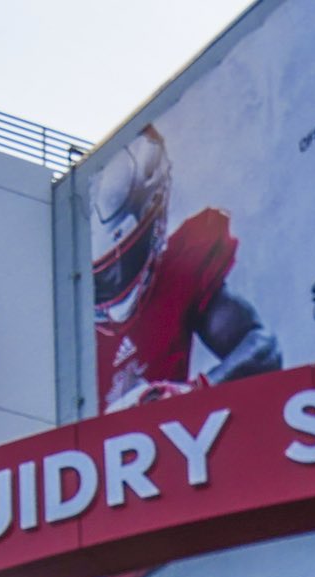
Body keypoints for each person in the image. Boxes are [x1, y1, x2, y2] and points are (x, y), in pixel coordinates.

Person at [91, 125, 281, 413]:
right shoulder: (63, 335)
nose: (113, 281)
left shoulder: (178, 273)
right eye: (101, 274)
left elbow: (262, 348)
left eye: (121, 263)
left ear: (153, 222)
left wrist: (194, 392)